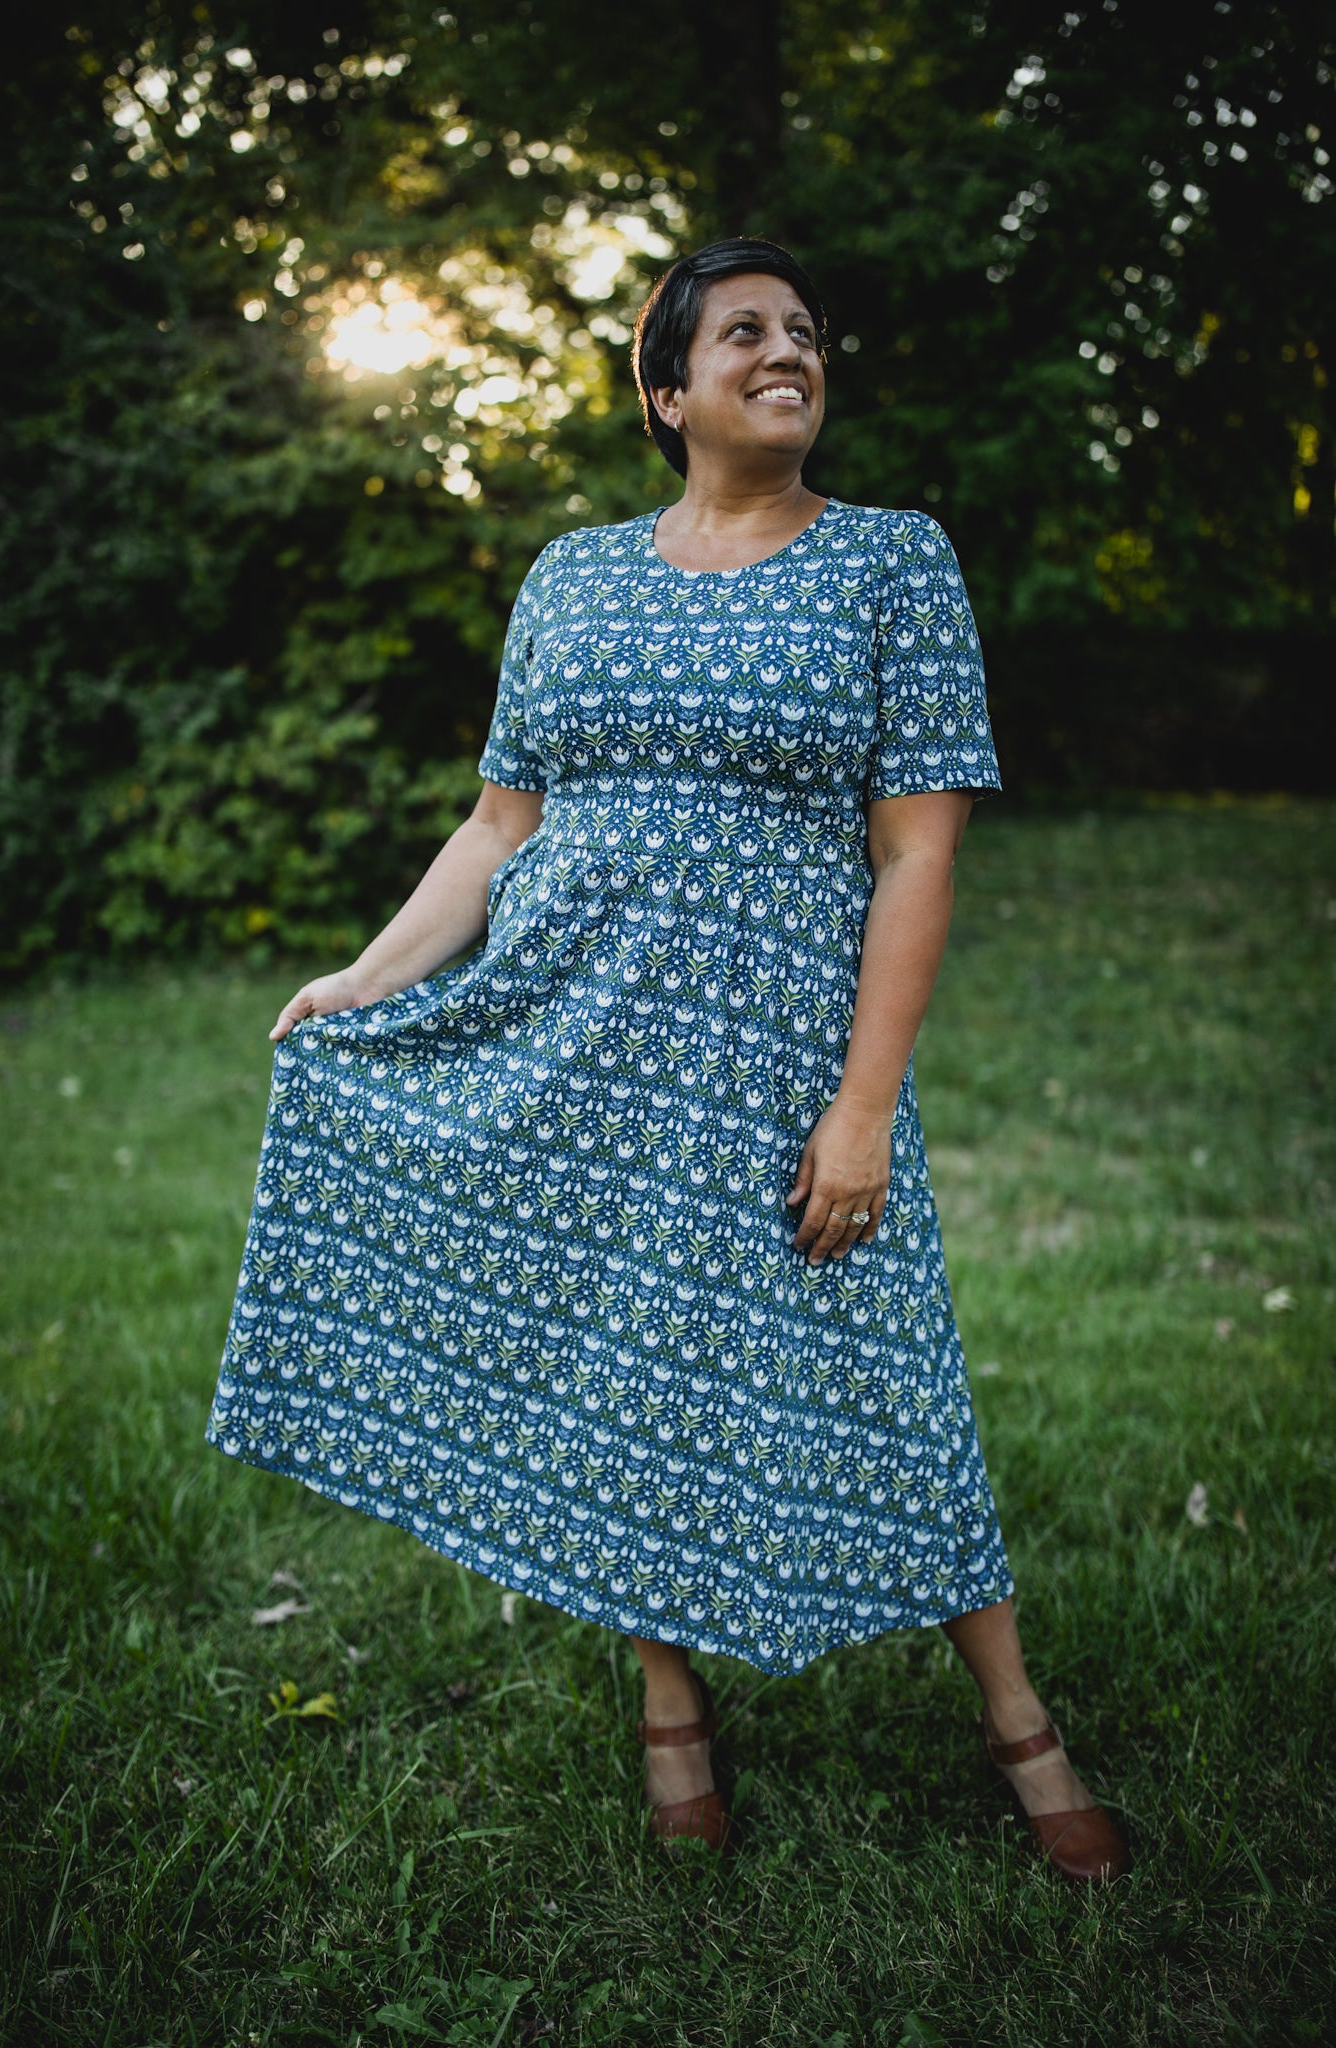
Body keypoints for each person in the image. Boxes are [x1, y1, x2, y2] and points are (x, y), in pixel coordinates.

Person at [206, 236, 1129, 1882]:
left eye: (805, 333)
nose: (788, 353)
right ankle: (667, 1701)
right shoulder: (570, 576)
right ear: (666, 391)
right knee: (628, 1364)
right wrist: (364, 976)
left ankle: (1017, 1720)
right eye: (745, 333)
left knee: (880, 1368)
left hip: (776, 1052)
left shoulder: (889, 562)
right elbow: (500, 825)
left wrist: (861, 1107)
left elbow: (915, 853)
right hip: (573, 1035)